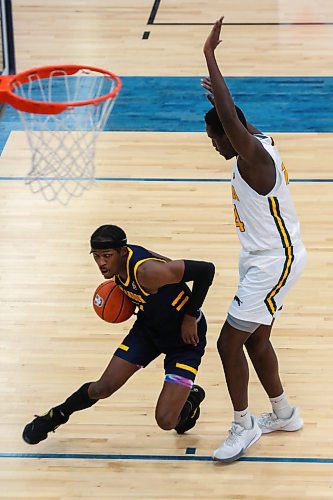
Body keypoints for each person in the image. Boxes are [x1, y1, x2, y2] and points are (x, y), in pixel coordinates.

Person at [202, 17, 307, 463]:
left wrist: (210, 57)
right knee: (256, 340)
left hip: (273, 262)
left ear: (231, 134)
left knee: (228, 343)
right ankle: (284, 413)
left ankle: (243, 425)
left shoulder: (254, 156)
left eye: (214, 139)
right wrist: (228, 105)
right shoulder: (259, 141)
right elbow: (235, 118)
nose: (214, 145)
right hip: (268, 258)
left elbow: (230, 118)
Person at [22, 224, 215, 444]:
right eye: (96, 256)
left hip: (184, 339)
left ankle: (190, 400)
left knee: (166, 421)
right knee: (102, 387)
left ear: (122, 252)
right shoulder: (119, 265)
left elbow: (206, 270)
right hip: (148, 331)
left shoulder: (147, 272)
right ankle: (56, 415)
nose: (101, 263)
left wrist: (190, 316)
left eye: (107, 256)